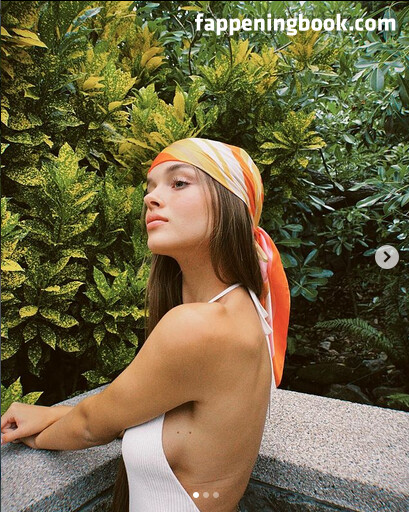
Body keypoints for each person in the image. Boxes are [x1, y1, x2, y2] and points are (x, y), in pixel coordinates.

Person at [1, 137, 290, 512]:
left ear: (229, 203)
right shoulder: (246, 309)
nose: (151, 198)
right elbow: (132, 407)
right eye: (150, 188)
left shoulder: (199, 326)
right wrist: (52, 414)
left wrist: (36, 438)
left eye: (179, 183)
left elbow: (92, 426)